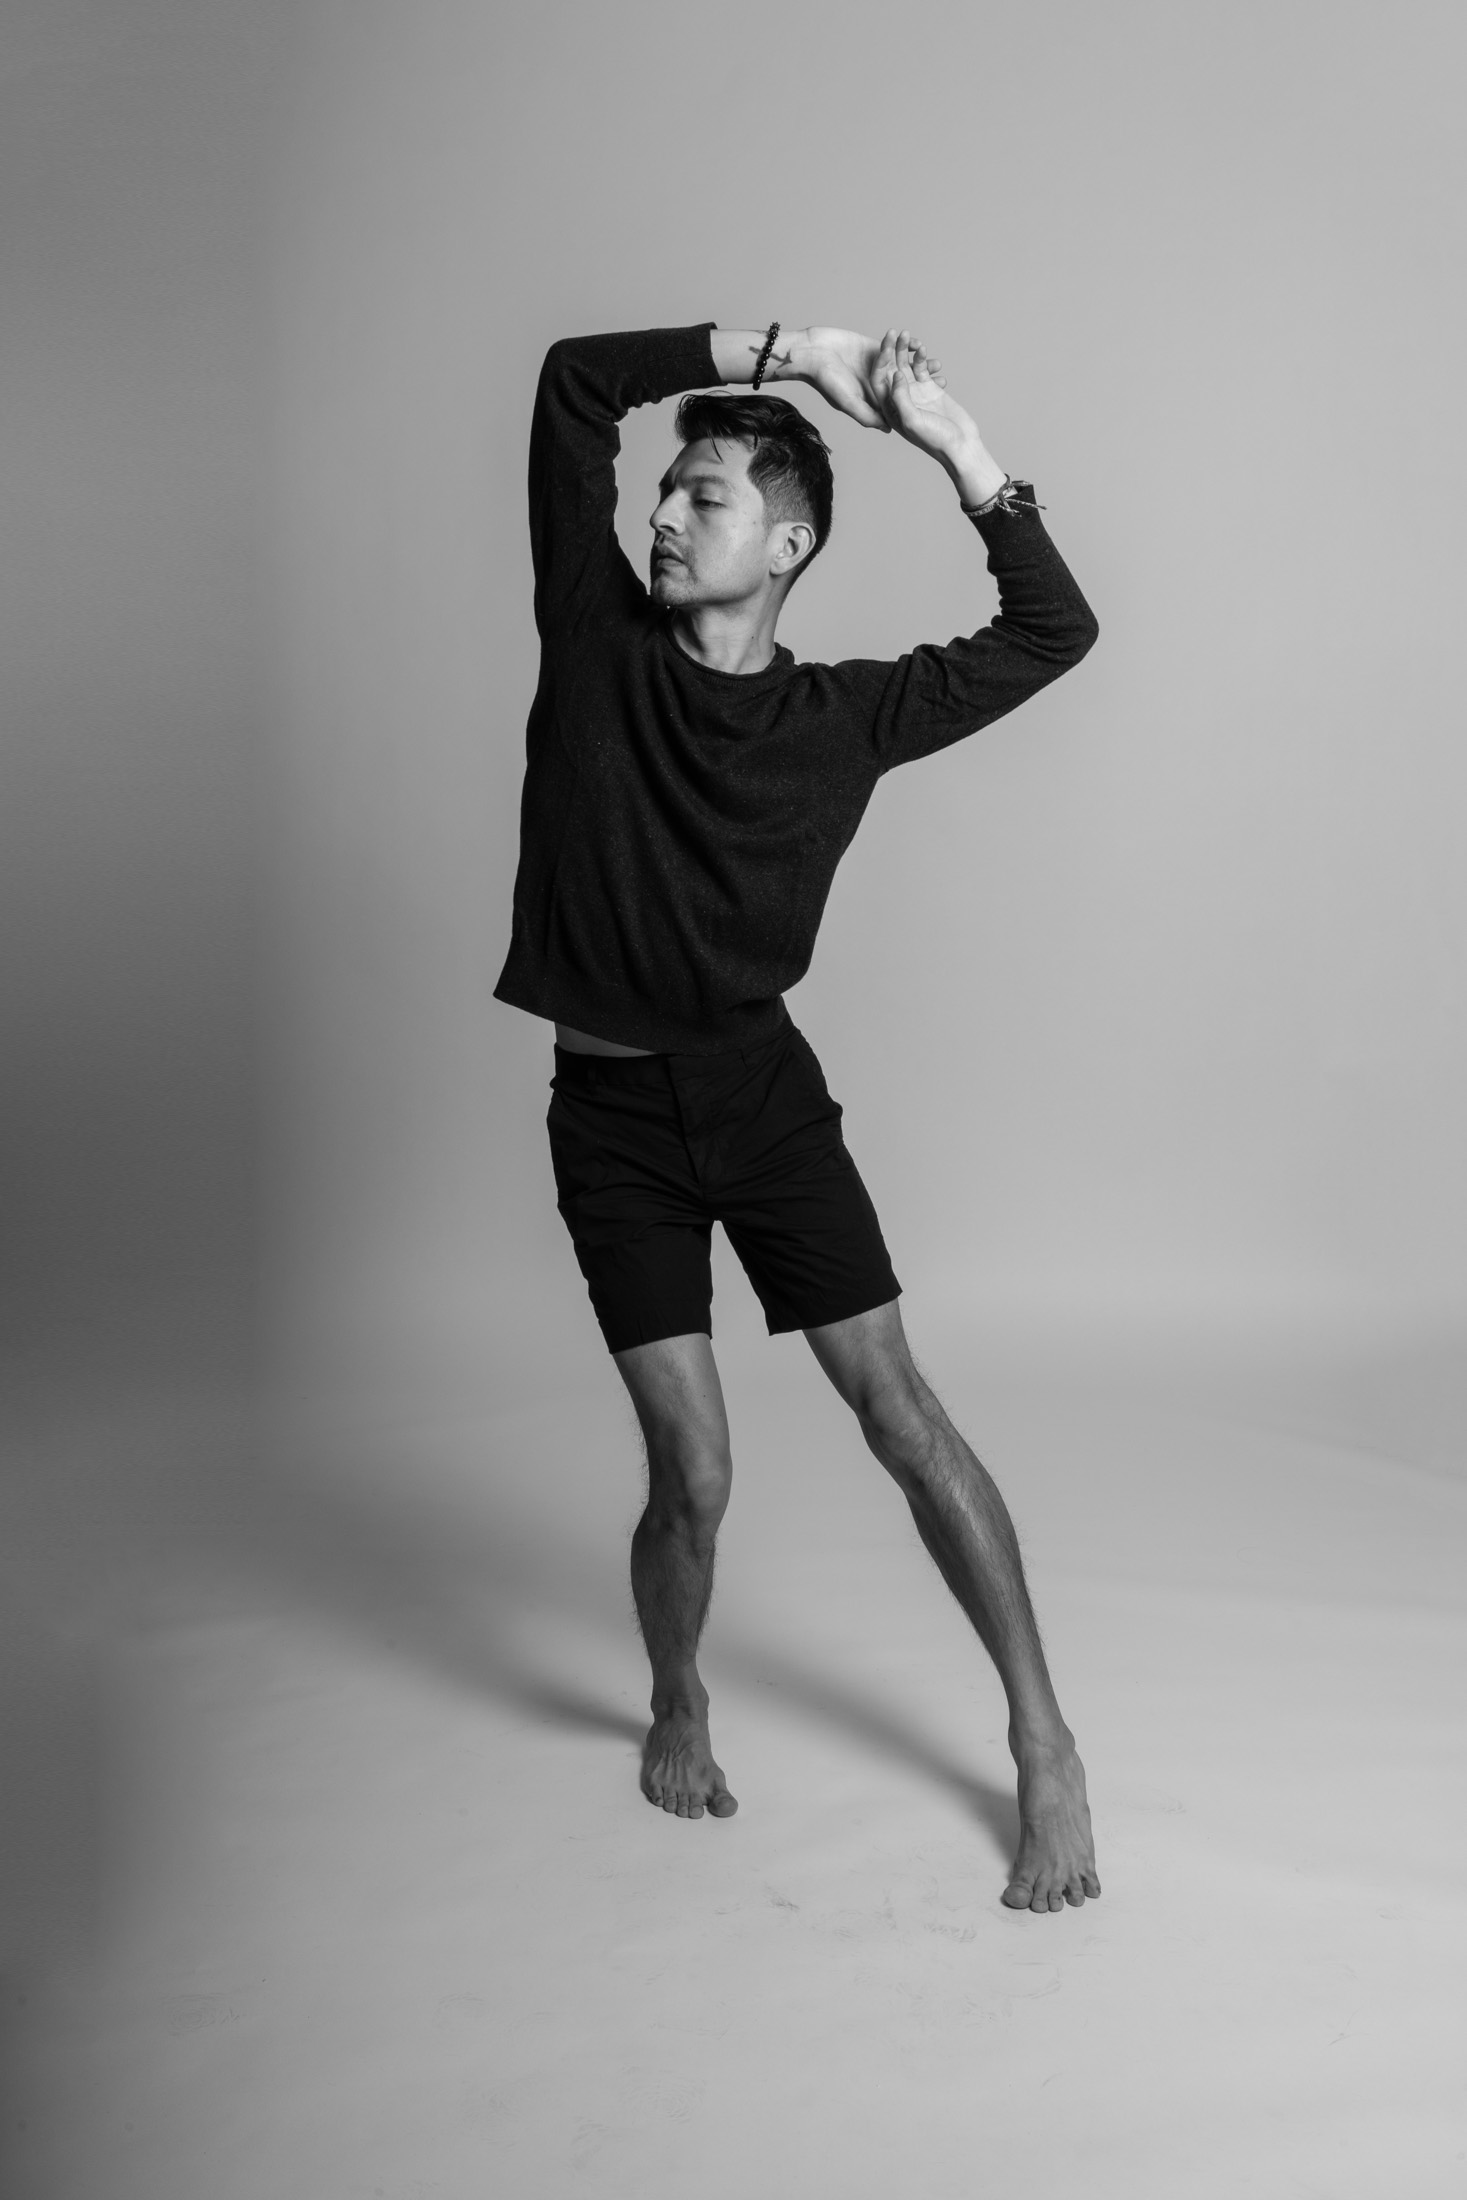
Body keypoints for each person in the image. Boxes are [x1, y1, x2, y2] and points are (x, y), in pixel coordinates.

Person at [495, 319, 1102, 1912]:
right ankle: (676, 1695)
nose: (662, 515)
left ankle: (1045, 1743)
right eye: (663, 492)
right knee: (693, 1474)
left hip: (761, 1101)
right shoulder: (597, 638)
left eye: (702, 497)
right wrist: (791, 351)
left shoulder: (844, 716)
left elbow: (1054, 629)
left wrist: (957, 448)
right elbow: (572, 384)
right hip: (610, 1119)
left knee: (901, 1417)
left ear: (786, 545)